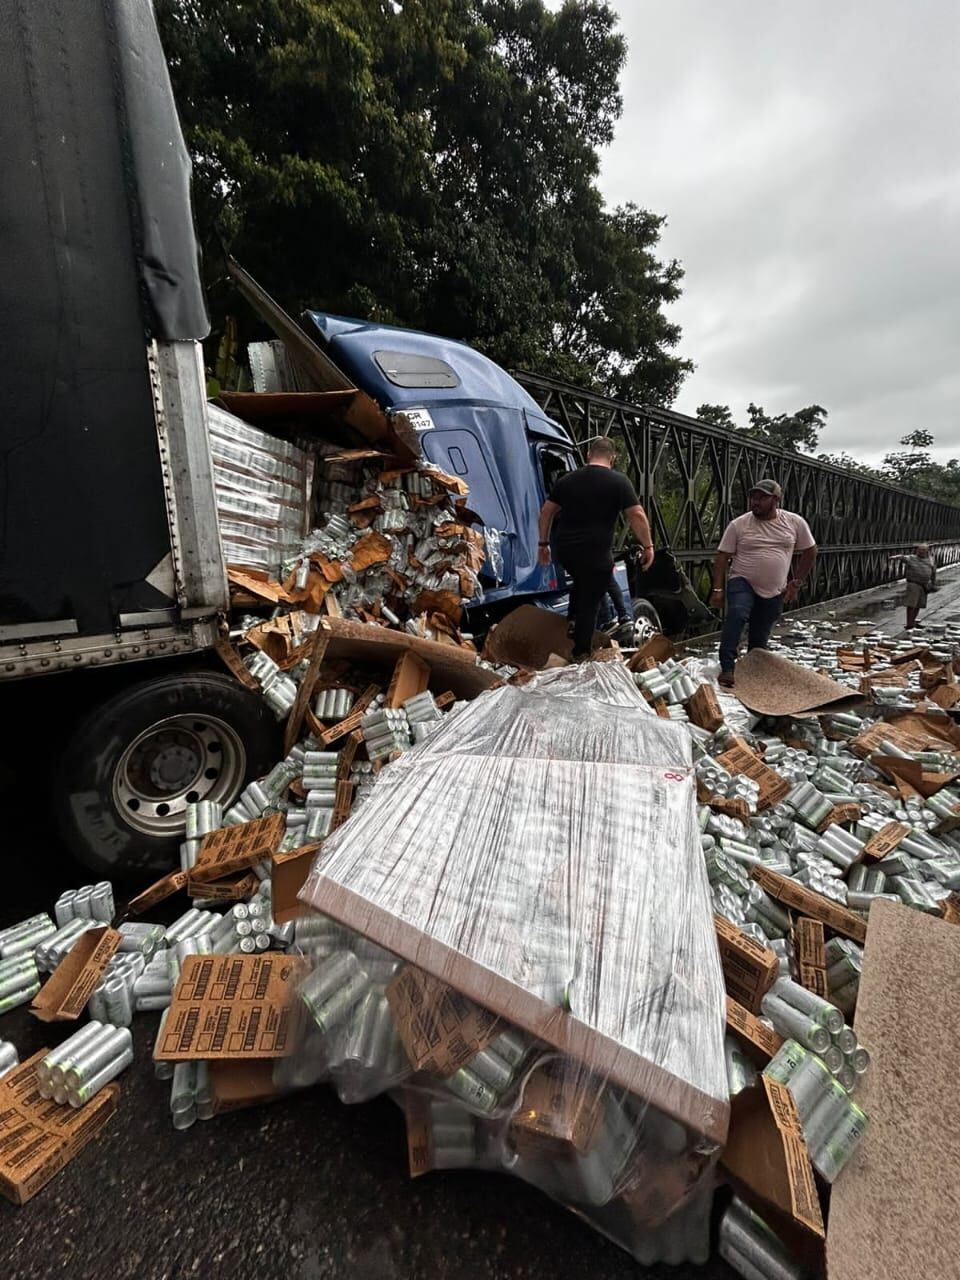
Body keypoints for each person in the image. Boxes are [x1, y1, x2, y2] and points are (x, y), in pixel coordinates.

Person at [537, 438, 655, 659]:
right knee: (591, 602)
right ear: (612, 458)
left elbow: (546, 512)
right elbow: (637, 515)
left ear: (589, 454)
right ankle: (581, 651)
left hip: (567, 552)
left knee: (581, 582)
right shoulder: (619, 482)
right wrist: (648, 546)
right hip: (597, 553)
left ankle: (572, 619)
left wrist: (543, 544)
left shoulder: (566, 480)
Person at [710, 479, 817, 688]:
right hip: (742, 580)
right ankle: (728, 667)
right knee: (737, 614)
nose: (755, 502)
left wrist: (796, 582)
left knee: (760, 634)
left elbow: (811, 551)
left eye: (762, 498)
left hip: (774, 590)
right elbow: (722, 557)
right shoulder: (739, 524)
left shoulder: (794, 522)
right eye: (753, 497)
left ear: (776, 500)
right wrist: (717, 589)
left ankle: (753, 670)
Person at [889, 544, 936, 630]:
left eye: (923, 550)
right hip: (914, 583)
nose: (921, 551)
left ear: (927, 551)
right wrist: (894, 557)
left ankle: (913, 621)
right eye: (919, 550)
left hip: (924, 585)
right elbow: (902, 557)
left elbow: (933, 571)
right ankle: (909, 624)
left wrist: (933, 583)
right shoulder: (911, 558)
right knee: (911, 604)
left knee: (919, 604)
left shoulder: (930, 559)